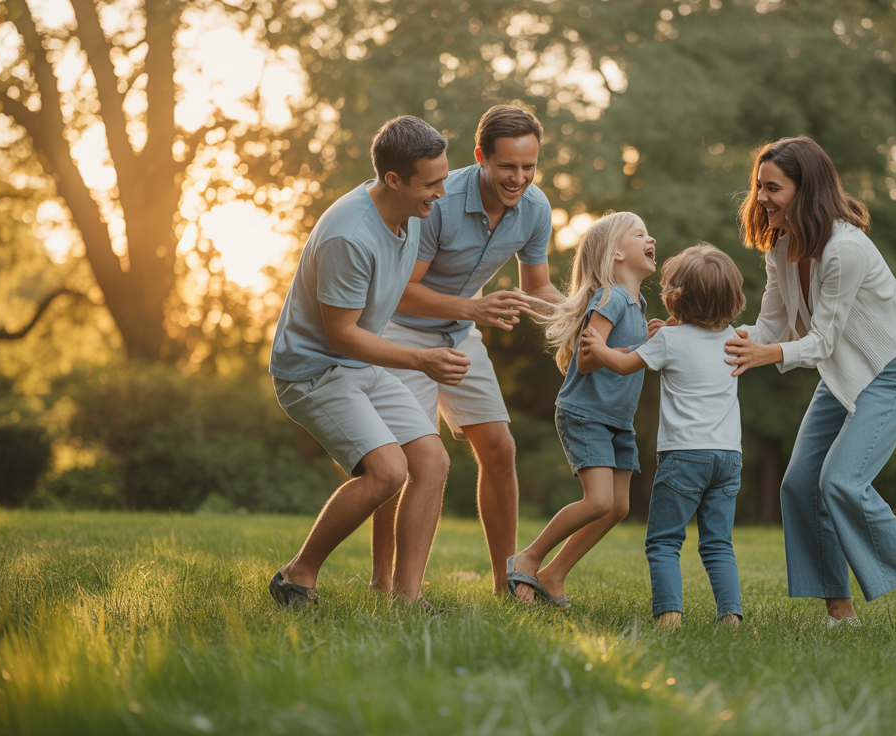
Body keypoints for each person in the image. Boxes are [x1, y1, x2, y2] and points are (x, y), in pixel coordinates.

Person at [724, 136, 896, 625]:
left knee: (843, 481)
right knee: (800, 482)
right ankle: (838, 610)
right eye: (758, 186)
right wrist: (703, 336)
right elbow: (769, 325)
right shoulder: (782, 244)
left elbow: (821, 340)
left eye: (772, 187)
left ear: (805, 190)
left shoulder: (845, 249)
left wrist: (768, 354)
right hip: (845, 369)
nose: (761, 198)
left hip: (892, 367)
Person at [266, 115, 471, 608]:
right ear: (393, 179)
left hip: (357, 367)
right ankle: (297, 574)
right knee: (387, 472)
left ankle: (407, 598)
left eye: (445, 177)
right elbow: (342, 335)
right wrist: (422, 359)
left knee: (432, 460)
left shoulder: (407, 214)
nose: (442, 192)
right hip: (313, 372)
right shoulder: (349, 236)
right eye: (432, 182)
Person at [377, 105, 563, 594]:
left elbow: (539, 289)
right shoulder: (439, 202)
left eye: (529, 167)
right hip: (401, 331)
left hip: (459, 333)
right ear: (481, 156)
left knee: (500, 448)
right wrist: (472, 308)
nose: (518, 178)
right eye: (507, 166)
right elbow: (400, 289)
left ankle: (507, 583)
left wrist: (586, 313)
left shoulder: (536, 208)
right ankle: (387, 585)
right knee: (407, 459)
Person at [582, 244, 748, 630]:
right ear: (733, 298)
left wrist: (598, 348)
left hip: (684, 457)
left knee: (663, 541)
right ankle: (731, 618)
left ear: (675, 298)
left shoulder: (669, 341)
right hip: (728, 457)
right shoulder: (735, 338)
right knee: (718, 543)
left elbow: (624, 365)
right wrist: (666, 331)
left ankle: (669, 617)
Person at [505, 211, 658, 606]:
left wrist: (657, 335)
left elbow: (618, 349)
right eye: (639, 233)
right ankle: (529, 556)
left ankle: (554, 574)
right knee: (598, 501)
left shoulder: (637, 303)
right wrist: (628, 351)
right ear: (616, 254)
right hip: (586, 412)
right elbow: (587, 358)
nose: (650, 238)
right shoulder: (611, 297)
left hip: (616, 420)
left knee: (618, 506)